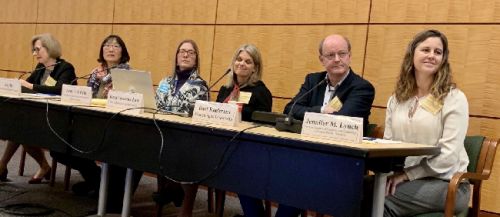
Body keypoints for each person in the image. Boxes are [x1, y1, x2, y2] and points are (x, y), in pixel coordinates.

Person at [252, 34, 375, 217]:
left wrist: (311, 113)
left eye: (342, 54)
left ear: (349, 56)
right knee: (254, 170)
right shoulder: (313, 80)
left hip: (340, 160)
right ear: (321, 59)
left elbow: (341, 120)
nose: (336, 59)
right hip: (306, 153)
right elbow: (291, 109)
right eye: (330, 55)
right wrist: (321, 111)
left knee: (298, 178)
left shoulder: (361, 88)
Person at [50, 35, 142, 213]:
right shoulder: (94, 73)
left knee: (112, 154)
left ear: (123, 51)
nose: (111, 49)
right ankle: (98, 182)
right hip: (91, 124)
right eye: (107, 45)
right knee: (60, 148)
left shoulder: (128, 75)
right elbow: (87, 99)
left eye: (116, 46)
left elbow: (130, 104)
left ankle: (105, 193)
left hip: (116, 128)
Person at [381, 29, 470, 216]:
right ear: (412, 54)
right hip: (405, 179)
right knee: (354, 190)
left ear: (443, 59)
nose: (431, 56)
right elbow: (387, 144)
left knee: (380, 200)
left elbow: (448, 156)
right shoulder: (396, 99)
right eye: (425, 50)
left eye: (438, 52)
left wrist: (407, 175)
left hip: (447, 184)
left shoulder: (454, 98)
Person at [0, 33, 76, 184]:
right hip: (39, 115)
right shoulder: (41, 68)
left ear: (50, 48)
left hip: (58, 118)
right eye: (33, 50)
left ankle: (38, 166)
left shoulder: (65, 68)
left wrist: (31, 86)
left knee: (22, 130)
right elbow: (26, 86)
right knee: (18, 127)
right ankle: (4, 167)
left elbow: (60, 90)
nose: (35, 54)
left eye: (37, 50)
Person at [216, 44, 273, 216]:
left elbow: (263, 125)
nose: (242, 64)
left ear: (255, 68)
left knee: (242, 173)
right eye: (239, 59)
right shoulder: (225, 89)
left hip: (248, 149)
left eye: (248, 62)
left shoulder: (261, 92)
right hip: (222, 145)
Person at [154, 39, 209, 217]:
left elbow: (198, 117)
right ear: (176, 56)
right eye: (182, 51)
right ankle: (172, 187)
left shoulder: (200, 86)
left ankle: (177, 196)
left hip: (188, 139)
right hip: (163, 134)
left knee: (186, 156)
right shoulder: (164, 81)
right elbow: (156, 106)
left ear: (196, 59)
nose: (185, 55)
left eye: (190, 52)